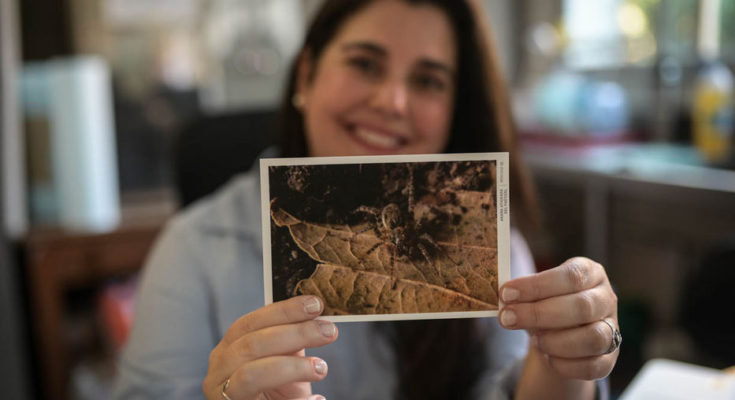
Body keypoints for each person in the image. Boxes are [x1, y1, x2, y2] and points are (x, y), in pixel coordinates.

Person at [114, 1, 620, 399]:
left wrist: (568, 364)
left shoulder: (489, 245)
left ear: (451, 113)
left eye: (426, 81)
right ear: (306, 76)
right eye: (365, 63)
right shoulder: (194, 248)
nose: (392, 102)